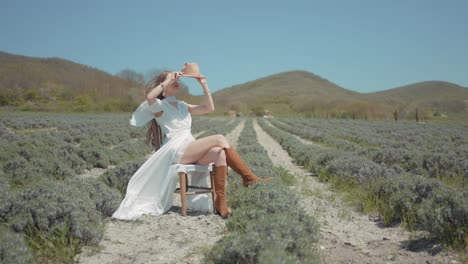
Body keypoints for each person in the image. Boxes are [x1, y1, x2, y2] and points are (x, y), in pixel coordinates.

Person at [112, 64, 270, 220]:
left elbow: (209, 108)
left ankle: (220, 203)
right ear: (165, 85)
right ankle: (249, 179)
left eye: (175, 80)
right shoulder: (159, 107)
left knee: (220, 154)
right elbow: (150, 97)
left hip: (190, 146)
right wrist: (166, 80)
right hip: (177, 149)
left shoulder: (182, 105)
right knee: (219, 138)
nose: (176, 81)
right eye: (171, 80)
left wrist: (203, 85)